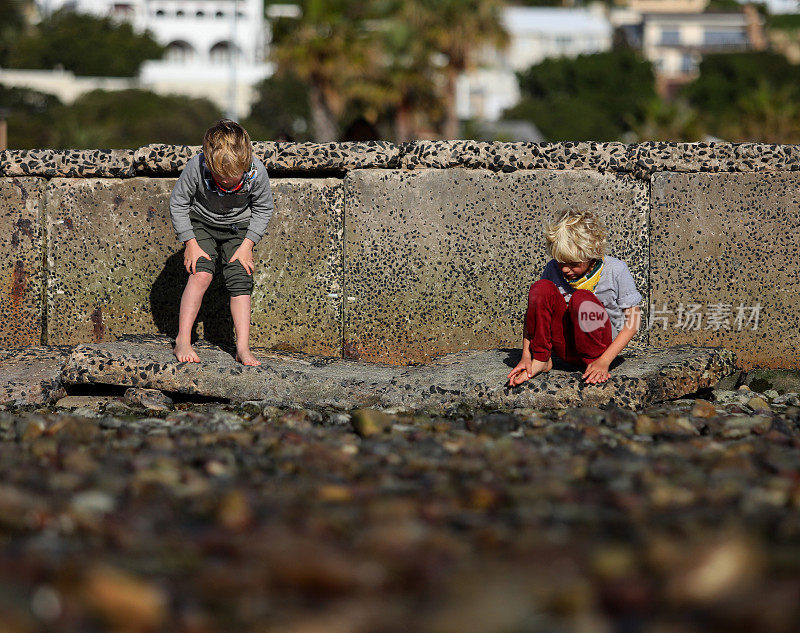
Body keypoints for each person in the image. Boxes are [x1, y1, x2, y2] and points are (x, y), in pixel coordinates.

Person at [169, 119, 274, 366]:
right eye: (219, 176)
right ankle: (182, 339)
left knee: (241, 278)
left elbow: (263, 208)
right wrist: (190, 243)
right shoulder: (197, 166)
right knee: (201, 274)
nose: (226, 181)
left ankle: (242, 347)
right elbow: (179, 203)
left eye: (232, 176)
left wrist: (248, 245)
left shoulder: (256, 172)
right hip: (201, 223)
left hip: (238, 228)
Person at [508, 209, 642, 386]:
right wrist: (526, 355)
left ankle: (593, 362)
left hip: (599, 349)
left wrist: (604, 361)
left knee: (582, 299)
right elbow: (534, 313)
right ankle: (542, 360)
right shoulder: (552, 269)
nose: (564, 269)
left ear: (591, 254)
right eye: (561, 262)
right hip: (565, 346)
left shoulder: (616, 270)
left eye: (573, 264)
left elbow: (633, 322)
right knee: (540, 288)